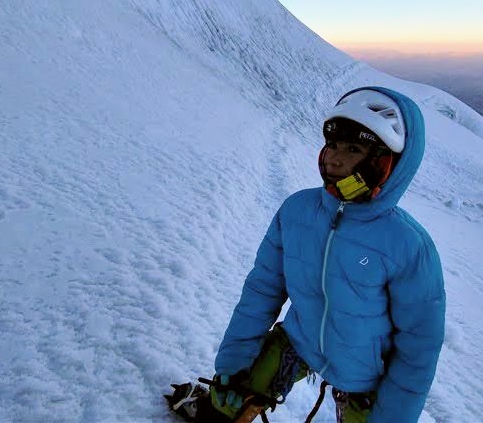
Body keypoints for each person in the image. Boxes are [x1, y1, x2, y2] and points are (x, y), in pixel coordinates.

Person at [185, 86, 445, 422]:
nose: (334, 157)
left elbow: (418, 348)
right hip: (299, 340)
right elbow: (263, 290)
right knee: (230, 397)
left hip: (365, 377)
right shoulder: (297, 211)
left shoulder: (408, 245)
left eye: (353, 149)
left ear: (386, 162)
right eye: (333, 144)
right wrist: (233, 365)